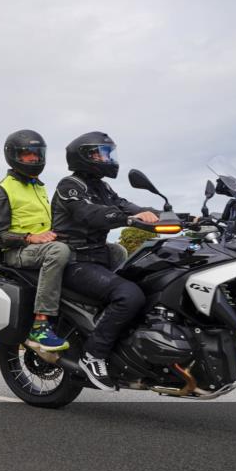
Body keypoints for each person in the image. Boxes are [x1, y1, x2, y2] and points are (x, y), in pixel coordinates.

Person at [51, 131, 160, 391]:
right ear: (84, 156)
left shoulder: (102, 186)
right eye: (102, 153)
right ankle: (93, 355)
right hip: (75, 261)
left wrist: (176, 216)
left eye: (109, 153)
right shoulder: (70, 186)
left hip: (98, 259)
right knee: (129, 295)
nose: (108, 158)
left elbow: (125, 205)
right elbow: (91, 214)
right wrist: (129, 219)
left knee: (149, 282)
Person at [0, 129, 72, 353]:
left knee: (108, 250)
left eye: (37, 153)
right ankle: (40, 324)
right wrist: (29, 238)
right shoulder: (1, 189)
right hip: (18, 251)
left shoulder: (40, 187)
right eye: (27, 154)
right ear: (14, 156)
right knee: (59, 252)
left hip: (44, 247)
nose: (34, 158)